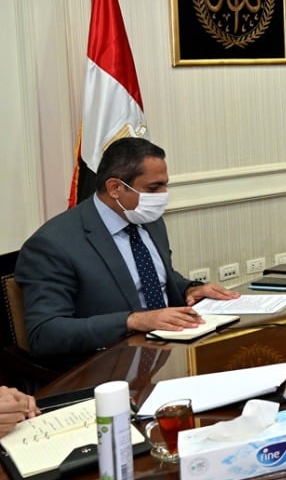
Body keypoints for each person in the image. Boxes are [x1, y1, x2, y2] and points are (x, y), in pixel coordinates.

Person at [16, 138, 239, 359]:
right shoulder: (53, 244)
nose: (163, 195)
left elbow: (156, 276)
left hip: (169, 349)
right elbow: (44, 333)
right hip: (108, 361)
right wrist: (133, 320)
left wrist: (189, 289)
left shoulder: (148, 218)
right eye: (154, 188)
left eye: (165, 185)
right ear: (115, 188)